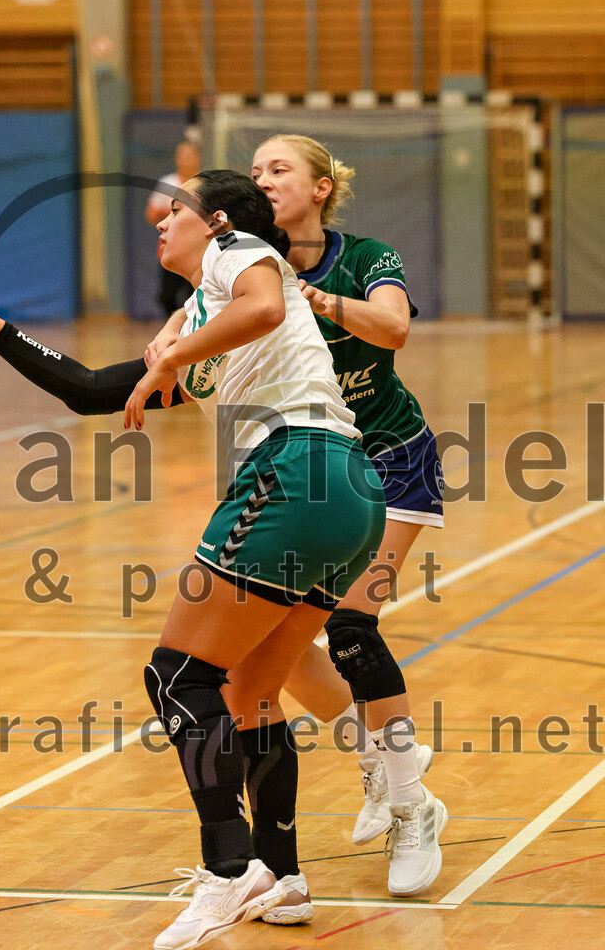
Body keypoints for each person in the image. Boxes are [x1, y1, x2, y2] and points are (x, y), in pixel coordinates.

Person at [0, 169, 386, 949]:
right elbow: (90, 389)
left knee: (177, 674)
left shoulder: (238, 255)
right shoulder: (207, 319)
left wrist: (171, 360)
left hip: (296, 467)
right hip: (350, 489)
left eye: (171, 211)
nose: (158, 223)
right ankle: (281, 878)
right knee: (252, 693)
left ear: (211, 223)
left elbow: (266, 304)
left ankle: (226, 868)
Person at [148, 133, 448, 906]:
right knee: (270, 666)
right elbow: (195, 329)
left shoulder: (362, 256)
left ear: (322, 188)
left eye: (280, 168)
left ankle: (412, 804)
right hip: (303, 466)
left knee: (351, 629)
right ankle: (380, 765)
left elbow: (393, 329)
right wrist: (171, 347)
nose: (264, 180)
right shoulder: (239, 259)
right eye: (255, 172)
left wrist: (311, 299)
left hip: (386, 454)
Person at [145, 140, 200, 318]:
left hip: (197, 250)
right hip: (173, 248)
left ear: (197, 158)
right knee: (166, 296)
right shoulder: (168, 183)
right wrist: (172, 213)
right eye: (181, 156)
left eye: (189, 156)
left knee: (196, 294)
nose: (185, 160)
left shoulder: (204, 183)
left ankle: (194, 330)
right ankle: (174, 327)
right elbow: (150, 215)